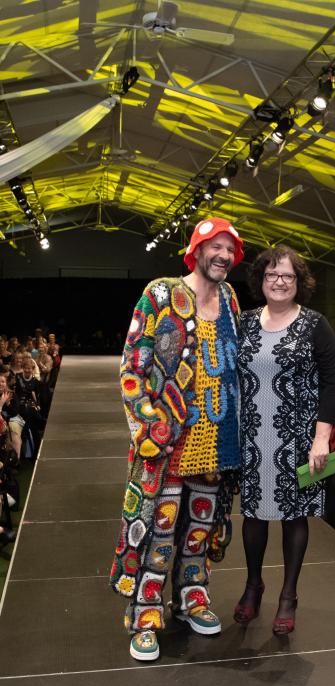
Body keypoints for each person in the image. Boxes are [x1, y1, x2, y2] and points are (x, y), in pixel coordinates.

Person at [110, 217, 243, 662]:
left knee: (199, 533)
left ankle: (191, 598)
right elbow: (133, 367)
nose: (223, 255)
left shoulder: (230, 299)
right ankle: (146, 615)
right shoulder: (161, 294)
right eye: (216, 247)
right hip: (169, 444)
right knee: (159, 532)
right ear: (197, 250)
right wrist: (149, 424)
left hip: (215, 442)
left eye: (230, 250)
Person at [234, 245, 335, 635]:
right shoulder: (243, 322)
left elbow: (332, 383)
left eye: (287, 276)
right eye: (271, 275)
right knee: (253, 515)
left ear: (299, 283)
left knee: (295, 517)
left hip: (300, 439)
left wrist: (322, 439)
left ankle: (288, 596)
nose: (279, 282)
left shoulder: (315, 324)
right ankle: (253, 585)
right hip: (252, 438)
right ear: (260, 280)